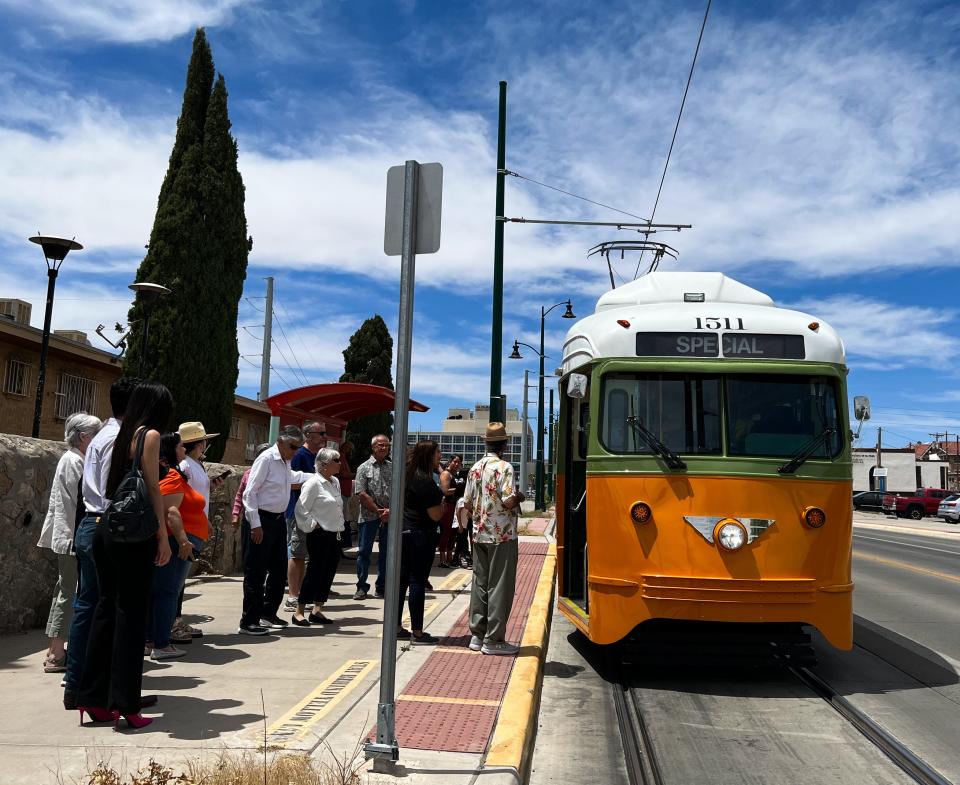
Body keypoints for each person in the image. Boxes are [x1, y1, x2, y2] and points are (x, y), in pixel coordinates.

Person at [76, 381, 173, 730]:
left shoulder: (118, 435)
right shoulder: (149, 436)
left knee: (106, 611)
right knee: (131, 619)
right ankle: (127, 706)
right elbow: (152, 488)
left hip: (105, 529)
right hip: (133, 536)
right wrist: (162, 536)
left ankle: (93, 698)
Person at [64, 376, 140, 712]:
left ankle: (81, 688)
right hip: (105, 524)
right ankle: (86, 689)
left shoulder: (104, 437)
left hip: (93, 524)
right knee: (100, 608)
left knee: (91, 606)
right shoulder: (115, 440)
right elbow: (112, 493)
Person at [37, 412, 103, 674]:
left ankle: (57, 649)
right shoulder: (74, 461)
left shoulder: (78, 459)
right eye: (95, 435)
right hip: (72, 538)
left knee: (67, 591)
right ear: (84, 436)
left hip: (73, 536)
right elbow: (74, 505)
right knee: (68, 592)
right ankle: (56, 653)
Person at [240, 425, 312, 634]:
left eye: (298, 447)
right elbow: (249, 493)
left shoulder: (285, 460)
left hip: (278, 520)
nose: (295, 450)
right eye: (292, 446)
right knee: (256, 571)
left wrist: (316, 476)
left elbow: (293, 478)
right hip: (261, 520)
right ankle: (248, 621)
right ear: (280, 442)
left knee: (279, 570)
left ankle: (268, 612)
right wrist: (255, 524)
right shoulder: (266, 459)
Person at [462, 422, 525, 656]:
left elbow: (467, 502)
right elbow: (509, 501)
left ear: (486, 442)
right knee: (500, 586)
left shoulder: (475, 468)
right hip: (502, 534)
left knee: (480, 583)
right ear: (505, 444)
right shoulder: (504, 467)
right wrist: (519, 495)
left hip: (479, 532)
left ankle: (477, 634)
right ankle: (494, 639)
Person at [149, 432, 209, 661]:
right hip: (177, 542)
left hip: (178, 539)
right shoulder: (172, 476)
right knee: (168, 592)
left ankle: (154, 639)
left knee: (164, 591)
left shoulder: (174, 474)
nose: (184, 450)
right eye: (181, 447)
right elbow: (171, 512)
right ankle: (161, 643)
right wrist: (184, 541)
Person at [173, 421, 221, 643]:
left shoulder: (195, 465)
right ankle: (172, 623)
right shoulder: (186, 466)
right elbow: (184, 498)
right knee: (176, 579)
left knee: (180, 578)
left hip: (196, 526)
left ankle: (176, 620)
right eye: (204, 441)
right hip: (188, 527)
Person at [396, 440, 444, 645]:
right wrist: (441, 499)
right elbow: (435, 515)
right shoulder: (425, 480)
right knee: (417, 581)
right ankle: (417, 632)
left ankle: (395, 627)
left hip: (404, 532)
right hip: (420, 535)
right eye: (437, 453)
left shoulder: (405, 474)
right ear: (428, 456)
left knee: (401, 581)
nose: (440, 456)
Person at [291, 448, 344, 626]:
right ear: (323, 465)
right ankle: (299, 610)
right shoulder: (313, 483)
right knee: (315, 571)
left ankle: (317, 609)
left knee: (328, 572)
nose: (339, 462)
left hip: (335, 533)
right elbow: (301, 508)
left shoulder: (334, 481)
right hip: (319, 534)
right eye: (335, 460)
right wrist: (314, 524)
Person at [283, 421, 326, 612]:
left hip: (314, 514)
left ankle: (303, 593)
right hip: (298, 512)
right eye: (321, 433)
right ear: (308, 435)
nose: (324, 436)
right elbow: (290, 482)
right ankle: (293, 596)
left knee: (308, 556)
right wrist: (314, 483)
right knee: (297, 554)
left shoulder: (318, 456)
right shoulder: (299, 454)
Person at [353, 434, 392, 601]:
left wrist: (390, 511)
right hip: (369, 516)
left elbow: (399, 490)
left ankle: (381, 586)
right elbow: (361, 493)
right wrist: (378, 511)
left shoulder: (393, 467)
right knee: (364, 552)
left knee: (386, 553)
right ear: (373, 447)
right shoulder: (364, 467)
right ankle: (361, 587)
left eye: (386, 445)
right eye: (380, 445)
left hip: (389, 517)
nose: (383, 448)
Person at [436, 455, 462, 568]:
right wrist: (459, 489)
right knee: (445, 532)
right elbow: (445, 491)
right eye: (455, 462)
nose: (457, 464)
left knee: (453, 533)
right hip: (447, 506)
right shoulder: (446, 474)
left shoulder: (454, 475)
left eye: (459, 462)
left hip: (454, 505)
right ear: (449, 462)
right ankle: (442, 560)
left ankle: (449, 558)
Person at [337, 440, 356, 556]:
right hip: (342, 492)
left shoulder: (343, 457)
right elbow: (343, 474)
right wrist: (357, 474)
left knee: (345, 520)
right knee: (342, 520)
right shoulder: (340, 458)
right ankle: (340, 548)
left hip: (345, 492)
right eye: (349, 449)